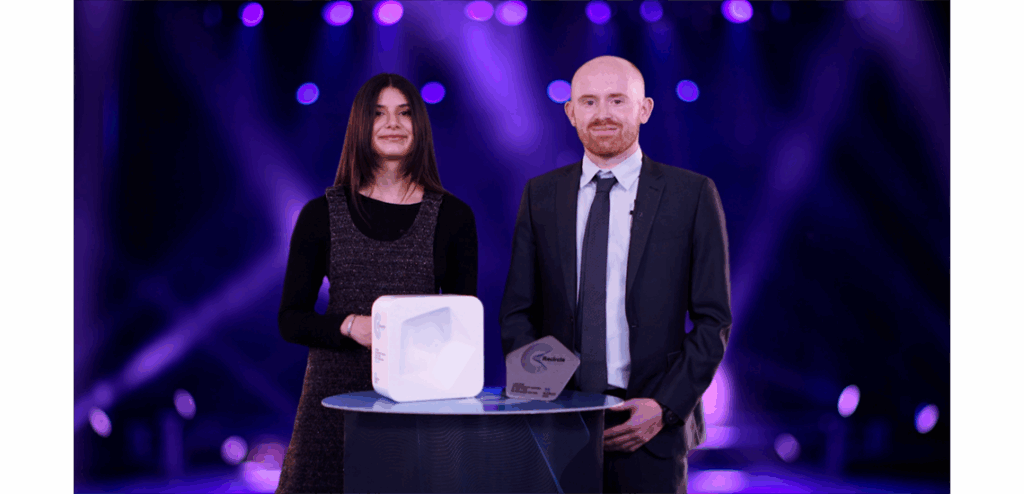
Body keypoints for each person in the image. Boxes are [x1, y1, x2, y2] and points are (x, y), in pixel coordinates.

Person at [499, 55, 731, 494]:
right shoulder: (540, 195)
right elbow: (517, 312)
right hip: (559, 428)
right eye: (588, 101)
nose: (602, 113)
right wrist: (547, 402)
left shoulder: (692, 194)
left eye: (617, 100)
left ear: (644, 109)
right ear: (571, 112)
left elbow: (713, 320)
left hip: (651, 428)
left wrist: (664, 407)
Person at [276, 73, 478, 493]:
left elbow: (463, 328)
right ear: (360, 125)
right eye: (378, 113)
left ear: (419, 125)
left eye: (404, 113)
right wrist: (351, 326)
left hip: (418, 403)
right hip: (332, 404)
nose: (392, 124)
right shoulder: (320, 213)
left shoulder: (454, 217)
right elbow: (290, 319)